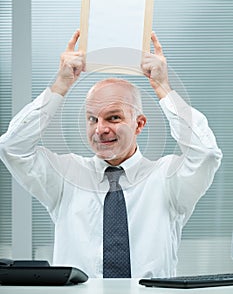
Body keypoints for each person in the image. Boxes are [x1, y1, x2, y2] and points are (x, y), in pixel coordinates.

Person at [0, 30, 222, 278]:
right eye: (92, 119)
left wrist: (163, 87)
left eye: (113, 117)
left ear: (139, 124)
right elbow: (12, 146)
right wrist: (60, 86)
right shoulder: (65, 176)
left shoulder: (167, 178)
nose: (100, 129)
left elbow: (206, 154)